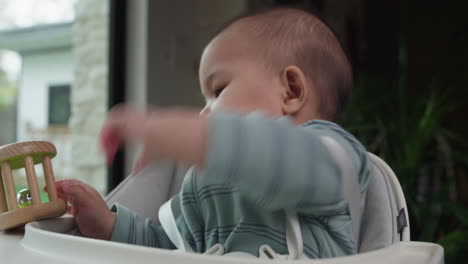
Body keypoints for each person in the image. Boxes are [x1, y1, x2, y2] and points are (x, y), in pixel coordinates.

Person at [55, 7, 371, 258]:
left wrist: (169, 129)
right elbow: (169, 248)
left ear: (291, 90)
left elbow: (270, 153)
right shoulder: (206, 182)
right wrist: (109, 226)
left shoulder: (330, 157)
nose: (205, 111)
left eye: (218, 90)